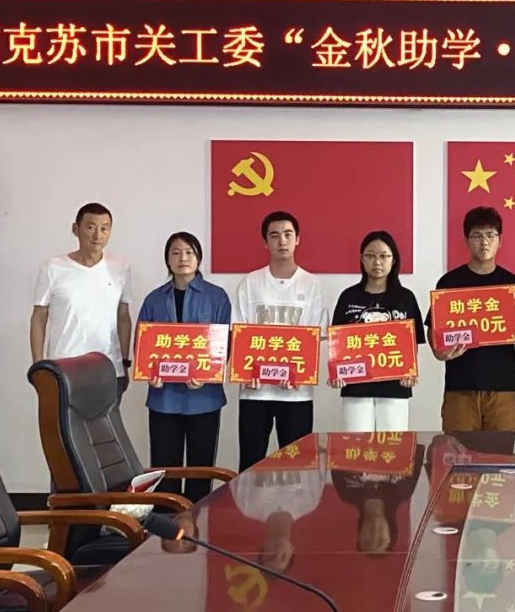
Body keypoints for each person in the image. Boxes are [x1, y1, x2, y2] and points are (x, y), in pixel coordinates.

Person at [136, 232, 231, 503]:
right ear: (167, 259)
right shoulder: (154, 299)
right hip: (163, 397)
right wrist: (149, 373)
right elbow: (142, 344)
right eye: (175, 252)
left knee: (201, 468)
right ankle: (166, 521)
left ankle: (199, 519)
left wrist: (208, 373)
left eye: (189, 252)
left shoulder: (217, 297)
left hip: (204, 398)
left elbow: (225, 342)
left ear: (198, 257)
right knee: (165, 468)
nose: (183, 258)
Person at [235, 211, 327, 470]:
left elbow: (316, 337)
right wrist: (244, 371)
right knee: (251, 465)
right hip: (255, 391)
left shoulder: (312, 285)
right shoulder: (250, 283)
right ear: (266, 242)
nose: (282, 241)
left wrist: (301, 372)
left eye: (288, 234)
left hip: (297, 393)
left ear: (298, 239)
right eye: (274, 236)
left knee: (297, 468)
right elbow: (239, 333)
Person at [426, 207, 515, 432]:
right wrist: (438, 350)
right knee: (457, 450)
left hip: (503, 386)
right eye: (477, 236)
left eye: (491, 235)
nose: (484, 242)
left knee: (502, 452)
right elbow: (433, 328)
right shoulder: (449, 282)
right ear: (466, 240)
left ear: (500, 241)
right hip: (460, 386)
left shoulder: (512, 283)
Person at [30, 202, 132, 398]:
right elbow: (39, 317)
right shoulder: (53, 268)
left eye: (104, 228)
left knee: (107, 419)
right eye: (91, 227)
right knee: (61, 419)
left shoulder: (120, 268)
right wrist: (38, 365)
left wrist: (125, 362)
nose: (97, 235)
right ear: (75, 229)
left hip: (109, 368)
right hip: (63, 367)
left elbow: (123, 316)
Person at [329, 231, 425, 432]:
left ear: (393, 260)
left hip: (395, 388)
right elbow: (337, 343)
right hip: (356, 388)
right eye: (370, 256)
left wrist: (410, 371)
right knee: (357, 446)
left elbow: (412, 344)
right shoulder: (348, 297)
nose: (377, 262)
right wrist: (337, 372)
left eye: (384, 256)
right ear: (362, 259)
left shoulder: (405, 298)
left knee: (393, 447)